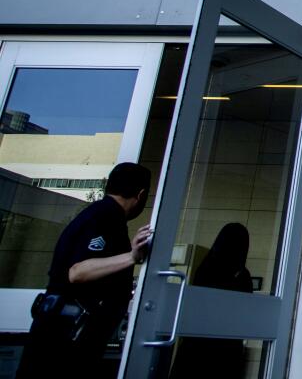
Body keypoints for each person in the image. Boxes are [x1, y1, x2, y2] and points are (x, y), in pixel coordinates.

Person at [16, 162, 152, 378]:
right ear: (141, 195)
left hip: (65, 334)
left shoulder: (101, 214)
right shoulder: (104, 216)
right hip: (64, 340)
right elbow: (77, 272)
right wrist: (131, 257)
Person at [169, 223, 253, 378]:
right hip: (225, 348)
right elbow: (244, 311)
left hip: (196, 346)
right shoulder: (240, 275)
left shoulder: (206, 266)